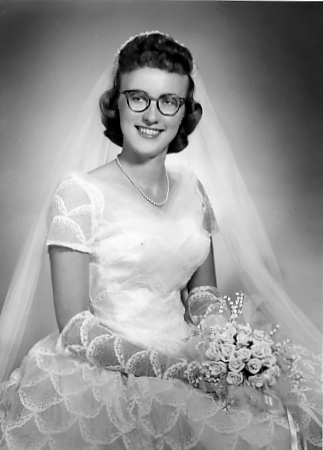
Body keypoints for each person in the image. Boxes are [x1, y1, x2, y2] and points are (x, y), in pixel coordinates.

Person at [0, 32, 321, 450]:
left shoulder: (192, 187)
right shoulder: (79, 193)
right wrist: (179, 372)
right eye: (138, 97)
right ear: (116, 102)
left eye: (169, 101)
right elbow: (76, 329)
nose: (152, 115)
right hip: (108, 369)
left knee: (278, 424)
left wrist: (228, 348)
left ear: (185, 112)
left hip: (189, 351)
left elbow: (203, 293)